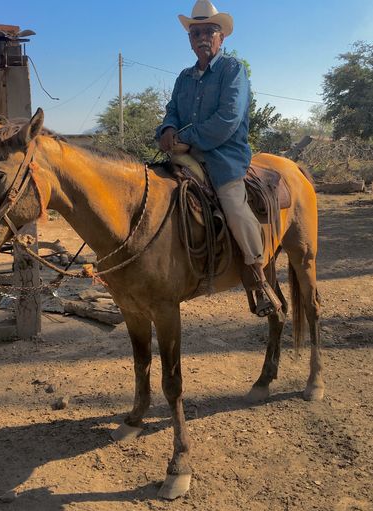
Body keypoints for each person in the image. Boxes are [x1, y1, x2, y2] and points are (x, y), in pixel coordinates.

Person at [156, 0, 280, 316]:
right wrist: (168, 127)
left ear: (221, 37)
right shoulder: (184, 77)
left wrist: (184, 137)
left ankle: (257, 274)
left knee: (233, 204)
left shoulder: (232, 70)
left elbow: (228, 119)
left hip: (225, 156)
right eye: (195, 32)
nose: (201, 38)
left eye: (208, 32)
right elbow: (172, 109)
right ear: (189, 39)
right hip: (187, 155)